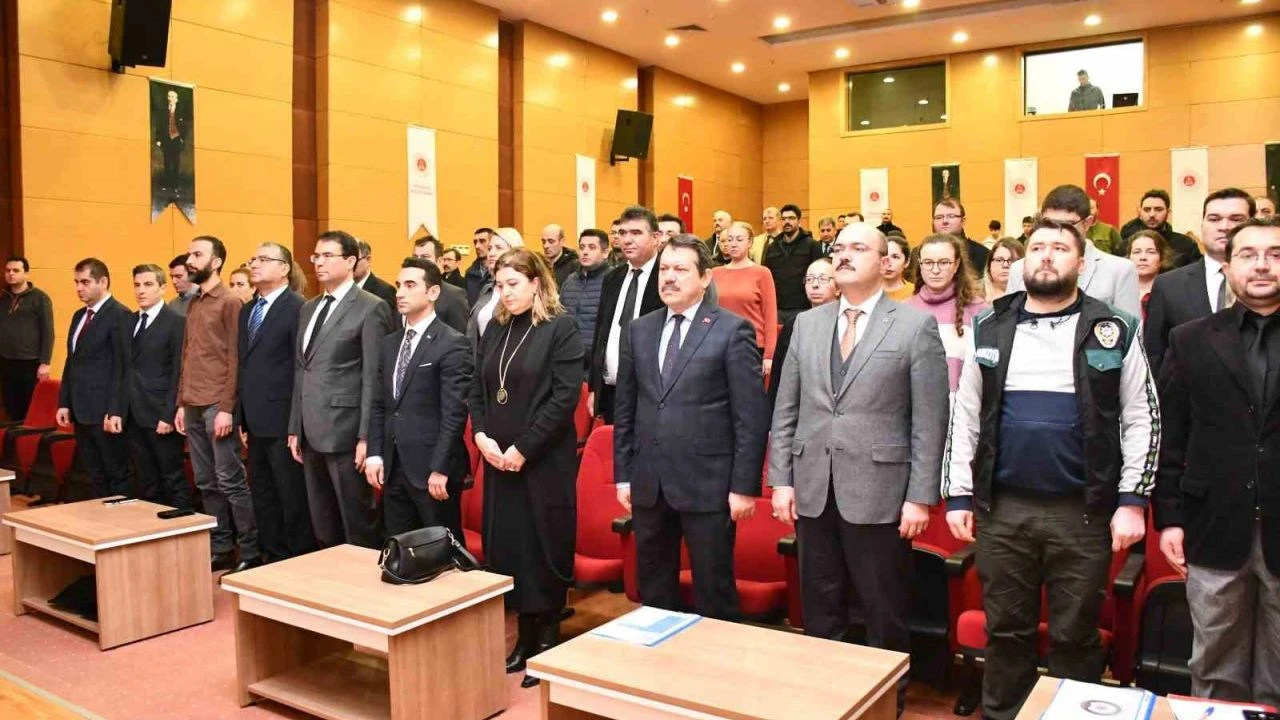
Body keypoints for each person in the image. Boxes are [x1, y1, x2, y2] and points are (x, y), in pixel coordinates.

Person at [943, 217, 1157, 720]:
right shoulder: (989, 325)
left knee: (1075, 637)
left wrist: (1132, 501)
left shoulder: (1114, 328)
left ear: (1080, 262)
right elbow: (966, 414)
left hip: (1082, 513)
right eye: (1037, 246)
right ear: (1023, 260)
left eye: (1059, 247)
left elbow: (1142, 416)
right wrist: (957, 493)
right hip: (1004, 511)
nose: (1045, 255)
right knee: (1006, 632)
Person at [769, 221, 948, 713]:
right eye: (839, 248)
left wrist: (920, 496)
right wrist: (780, 479)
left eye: (858, 248)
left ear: (886, 262)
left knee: (883, 608)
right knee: (820, 606)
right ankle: (825, 700)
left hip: (881, 490)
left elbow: (929, 420)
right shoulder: (807, 325)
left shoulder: (913, 326)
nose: (844, 255)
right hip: (812, 486)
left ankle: (886, 704)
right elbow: (786, 408)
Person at [1154, 217, 1280, 706]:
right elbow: (1171, 435)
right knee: (1213, 666)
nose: (1262, 265)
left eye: (1275, 254)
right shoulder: (1190, 339)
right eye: (1248, 254)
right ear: (1226, 267)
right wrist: (1169, 517)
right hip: (1212, 524)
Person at [615, 233, 769, 621]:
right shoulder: (639, 330)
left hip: (708, 485)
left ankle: (715, 659)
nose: (669, 277)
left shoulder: (731, 330)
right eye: (664, 269)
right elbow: (626, 409)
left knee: (713, 590)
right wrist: (623, 476)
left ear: (705, 278)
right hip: (650, 484)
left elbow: (750, 417)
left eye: (680, 270)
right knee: (654, 588)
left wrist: (743, 486)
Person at [470, 248, 582, 689]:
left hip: (542, 461)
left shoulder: (561, 328)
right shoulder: (497, 327)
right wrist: (481, 435)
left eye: (513, 284)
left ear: (536, 283)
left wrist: (524, 448)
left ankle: (548, 634)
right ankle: (524, 634)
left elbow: (564, 397)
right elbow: (478, 389)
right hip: (498, 457)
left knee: (542, 545)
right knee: (509, 547)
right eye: (499, 285)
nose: (505, 293)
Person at [289, 230, 395, 549]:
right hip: (311, 429)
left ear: (350, 261)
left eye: (327, 256)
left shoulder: (371, 307)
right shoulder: (309, 308)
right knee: (323, 520)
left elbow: (374, 377)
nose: (318, 263)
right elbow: (302, 370)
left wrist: (367, 436)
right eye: (316, 256)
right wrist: (295, 426)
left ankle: (364, 578)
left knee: (357, 520)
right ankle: (330, 575)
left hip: (347, 431)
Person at [367, 257, 473, 542]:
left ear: (433, 292)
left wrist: (440, 468)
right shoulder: (390, 343)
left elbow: (454, 413)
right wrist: (375, 453)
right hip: (393, 464)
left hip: (431, 468)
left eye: (410, 285)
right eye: (398, 285)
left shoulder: (452, 343)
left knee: (442, 547)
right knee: (399, 547)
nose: (400, 292)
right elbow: (380, 403)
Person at [175, 236, 259, 573]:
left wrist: (227, 408)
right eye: (190, 254)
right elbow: (187, 356)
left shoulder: (230, 302)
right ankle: (221, 546)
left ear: (217, 261)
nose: (190, 260)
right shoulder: (193, 302)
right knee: (206, 481)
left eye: (198, 255)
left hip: (217, 403)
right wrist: (181, 402)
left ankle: (250, 549)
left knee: (230, 480)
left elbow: (236, 359)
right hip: (193, 401)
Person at [240, 242, 314, 563]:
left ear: (284, 268)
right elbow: (245, 365)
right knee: (263, 494)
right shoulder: (247, 310)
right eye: (253, 259)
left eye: (263, 259)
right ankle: (271, 557)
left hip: (284, 419)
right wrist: (241, 416)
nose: (254, 264)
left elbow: (301, 368)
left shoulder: (297, 307)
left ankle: (297, 562)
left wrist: (297, 422)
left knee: (291, 497)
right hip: (255, 420)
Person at [1144, 187, 1256, 371]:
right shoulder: (1169, 286)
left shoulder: (1271, 281)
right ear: (1202, 225)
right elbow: (1154, 355)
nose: (1224, 226)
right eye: (1214, 219)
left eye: (1236, 219)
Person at [1006, 184, 1143, 318]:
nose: (1057, 230)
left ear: (1087, 222)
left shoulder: (1120, 270)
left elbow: (1130, 328)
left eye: (1067, 225)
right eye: (1049, 223)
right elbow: (1008, 323)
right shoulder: (1019, 269)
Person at [57, 259, 131, 498]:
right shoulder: (79, 315)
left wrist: (115, 409)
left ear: (103, 282)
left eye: (85, 282)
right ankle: (101, 517)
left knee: (115, 472)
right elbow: (71, 361)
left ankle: (120, 518)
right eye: (76, 282)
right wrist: (64, 402)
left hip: (105, 410)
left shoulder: (120, 315)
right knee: (94, 474)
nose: (79, 288)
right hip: (81, 409)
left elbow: (122, 368)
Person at [589, 206, 664, 423]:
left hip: (652, 393)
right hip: (612, 390)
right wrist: (595, 387)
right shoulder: (612, 278)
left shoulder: (666, 276)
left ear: (656, 237)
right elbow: (601, 332)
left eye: (636, 233)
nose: (627, 240)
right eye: (622, 233)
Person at [125, 264, 188, 509]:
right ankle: (153, 524)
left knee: (172, 475)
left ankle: (182, 522)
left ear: (162, 288)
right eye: (137, 285)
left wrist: (168, 414)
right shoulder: (130, 321)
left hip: (160, 412)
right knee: (146, 477)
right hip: (134, 412)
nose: (141, 290)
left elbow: (177, 372)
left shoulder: (176, 322)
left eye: (148, 284)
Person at [907, 233, 989, 395]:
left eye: (944, 262)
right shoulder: (904, 310)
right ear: (920, 265)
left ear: (956, 264)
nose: (935, 270)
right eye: (928, 263)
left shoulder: (980, 311)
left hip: (965, 406)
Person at [711, 221, 779, 376]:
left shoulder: (762, 273)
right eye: (729, 239)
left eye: (739, 239)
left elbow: (770, 315)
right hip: (719, 344)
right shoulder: (715, 273)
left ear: (750, 242)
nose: (733, 244)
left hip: (752, 345)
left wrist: (769, 354)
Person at [769, 258, 838, 406]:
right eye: (810, 279)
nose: (815, 284)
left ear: (838, 288)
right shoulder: (794, 324)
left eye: (823, 279)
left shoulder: (846, 323)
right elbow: (778, 377)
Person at [0, 256, 53, 421]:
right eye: (8, 270)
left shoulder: (40, 298)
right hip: (6, 361)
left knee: (29, 406)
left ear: (26, 274)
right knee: (10, 405)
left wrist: (45, 362)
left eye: (16, 270)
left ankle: (27, 436)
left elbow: (48, 331)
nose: (11, 274)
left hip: (29, 362)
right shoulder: (3, 299)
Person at [764, 204, 825, 325]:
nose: (787, 222)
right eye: (784, 219)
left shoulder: (812, 245)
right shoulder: (772, 247)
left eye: (791, 218)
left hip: (803, 306)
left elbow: (820, 273)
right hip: (778, 307)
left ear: (799, 221)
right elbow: (766, 275)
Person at [559, 229, 611, 370]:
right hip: (568, 358)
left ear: (605, 253)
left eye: (592, 247)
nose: (585, 252)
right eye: (582, 247)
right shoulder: (570, 281)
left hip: (598, 363)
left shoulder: (613, 279)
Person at [467, 227, 523, 346]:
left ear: (514, 251)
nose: (491, 253)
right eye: (490, 248)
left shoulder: (522, 289)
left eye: (498, 248)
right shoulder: (487, 289)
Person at [1120, 189, 1202, 268]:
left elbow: (1197, 273)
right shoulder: (1125, 246)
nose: (1152, 214)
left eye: (1159, 209)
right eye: (1147, 210)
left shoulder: (1186, 244)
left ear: (1168, 212)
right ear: (1140, 213)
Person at [410, 235, 471, 334]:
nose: (418, 261)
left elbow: (460, 336)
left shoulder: (454, 296)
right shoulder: (406, 293)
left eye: (425, 257)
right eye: (415, 257)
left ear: (439, 261)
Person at [932, 198, 989, 272]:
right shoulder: (921, 253)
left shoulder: (982, 254)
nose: (945, 221)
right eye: (939, 217)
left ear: (963, 221)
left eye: (951, 216)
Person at [154, 89, 189, 196]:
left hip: (177, 139)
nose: (170, 98)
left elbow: (185, 127)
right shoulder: (163, 111)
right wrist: (158, 139)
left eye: (173, 97)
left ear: (176, 99)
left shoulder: (181, 111)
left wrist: (183, 138)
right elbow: (159, 125)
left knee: (176, 163)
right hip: (166, 139)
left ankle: (175, 186)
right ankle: (167, 184)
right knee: (167, 162)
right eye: (169, 96)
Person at [1128, 230, 1170, 319]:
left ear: (1162, 258)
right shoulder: (1119, 292)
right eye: (1137, 252)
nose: (1143, 257)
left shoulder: (1171, 293)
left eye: (1151, 252)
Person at [354, 239, 397, 311]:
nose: (349, 265)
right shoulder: (340, 288)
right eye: (346, 260)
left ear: (368, 260)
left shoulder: (385, 291)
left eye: (354, 260)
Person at [984, 238, 1025, 304]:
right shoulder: (975, 299)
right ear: (989, 265)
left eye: (1012, 260)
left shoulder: (1033, 300)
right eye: (999, 260)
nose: (1005, 265)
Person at [540, 224, 579, 288]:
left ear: (562, 241)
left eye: (551, 241)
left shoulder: (574, 266)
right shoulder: (539, 265)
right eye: (543, 241)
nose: (545, 246)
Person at [465, 227, 494, 307]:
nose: (477, 246)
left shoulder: (500, 273)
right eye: (475, 242)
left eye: (482, 241)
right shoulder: (469, 274)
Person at [882, 235, 914, 301]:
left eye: (895, 257)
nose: (888, 263)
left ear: (907, 262)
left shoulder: (917, 293)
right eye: (883, 256)